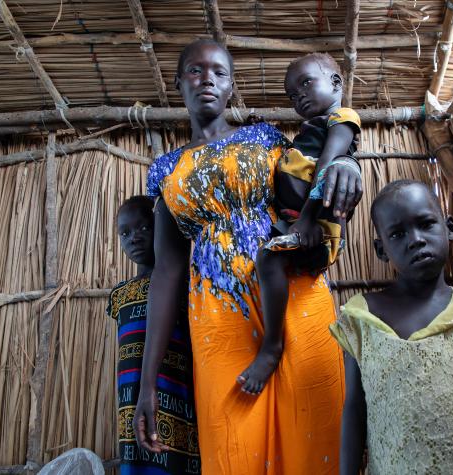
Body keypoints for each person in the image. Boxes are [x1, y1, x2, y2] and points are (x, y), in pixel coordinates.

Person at [135, 39, 362, 474]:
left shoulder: (266, 138)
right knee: (232, 450)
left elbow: (317, 174)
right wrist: (147, 386)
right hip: (219, 322)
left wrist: (348, 165)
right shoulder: (164, 170)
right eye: (196, 71)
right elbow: (166, 273)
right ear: (178, 82)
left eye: (219, 72)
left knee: (316, 440)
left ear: (231, 87)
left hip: (296, 301)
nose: (207, 79)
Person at [331, 180, 453, 474]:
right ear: (381, 248)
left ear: (450, 228)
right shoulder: (361, 319)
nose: (416, 239)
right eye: (397, 234)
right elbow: (355, 412)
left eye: (425, 224)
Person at [237, 53, 361, 395]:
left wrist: (306, 220)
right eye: (292, 95)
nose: (299, 97)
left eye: (306, 83)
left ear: (335, 83)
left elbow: (326, 163)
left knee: (268, 258)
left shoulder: (342, 119)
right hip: (295, 221)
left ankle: (272, 346)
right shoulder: (311, 130)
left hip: (316, 226)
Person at [107, 196, 199, 474]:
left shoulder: (187, 287)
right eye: (125, 233)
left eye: (144, 229)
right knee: (137, 458)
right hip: (131, 396)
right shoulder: (119, 295)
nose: (134, 238)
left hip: (178, 392)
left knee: (176, 458)